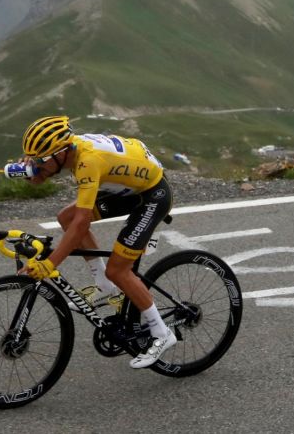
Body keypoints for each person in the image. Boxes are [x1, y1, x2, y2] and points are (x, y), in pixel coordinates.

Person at [18, 115, 177, 369]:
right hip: (127, 188)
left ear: (61, 152)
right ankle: (104, 284)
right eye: (33, 159)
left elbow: (83, 223)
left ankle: (162, 333)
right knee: (66, 218)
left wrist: (49, 264)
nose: (37, 164)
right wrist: (37, 174)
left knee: (119, 269)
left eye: (40, 160)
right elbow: (72, 214)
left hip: (152, 195)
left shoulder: (88, 161)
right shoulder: (70, 152)